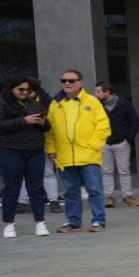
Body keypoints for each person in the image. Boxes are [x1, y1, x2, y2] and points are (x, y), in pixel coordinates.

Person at [46, 69, 111, 233]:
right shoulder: (56, 104)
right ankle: (73, 221)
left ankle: (98, 220)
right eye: (64, 80)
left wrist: (92, 145)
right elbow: (50, 129)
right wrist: (52, 148)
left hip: (88, 155)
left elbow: (103, 127)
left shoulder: (92, 101)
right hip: (65, 156)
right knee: (70, 192)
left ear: (80, 82)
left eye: (71, 80)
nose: (67, 83)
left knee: (94, 190)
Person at [0, 75, 51, 237]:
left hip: (35, 151)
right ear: (11, 89)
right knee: (11, 188)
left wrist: (43, 123)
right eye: (20, 89)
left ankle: (40, 222)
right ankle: (8, 224)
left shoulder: (35, 104)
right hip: (11, 150)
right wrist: (24, 120)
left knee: (36, 188)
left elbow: (47, 126)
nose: (24, 92)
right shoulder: (3, 103)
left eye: (27, 89)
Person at [95, 81, 139, 208]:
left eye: (98, 91)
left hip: (122, 143)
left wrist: (128, 138)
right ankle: (109, 197)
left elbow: (135, 122)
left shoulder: (125, 104)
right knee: (106, 171)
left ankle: (127, 196)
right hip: (104, 143)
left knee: (124, 171)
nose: (96, 94)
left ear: (107, 92)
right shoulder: (96, 105)